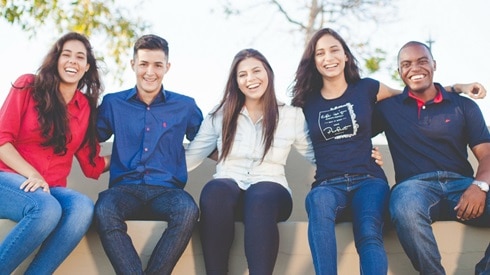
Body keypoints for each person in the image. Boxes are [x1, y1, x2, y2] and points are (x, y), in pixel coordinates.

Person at [289, 27, 485, 275]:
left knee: (369, 232)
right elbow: (290, 131)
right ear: (314, 61)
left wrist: (457, 87)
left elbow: (416, 91)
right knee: (317, 202)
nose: (329, 58)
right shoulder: (307, 102)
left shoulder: (368, 88)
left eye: (335, 50)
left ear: (346, 55)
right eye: (320, 53)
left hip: (370, 180)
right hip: (335, 184)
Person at [184, 48, 315, 275]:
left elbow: (318, 154)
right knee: (214, 190)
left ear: (268, 73)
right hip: (228, 192)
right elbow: (191, 157)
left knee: (260, 196)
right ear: (236, 81)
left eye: (256, 71)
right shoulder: (220, 114)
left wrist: (359, 157)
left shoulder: (291, 115)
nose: (250, 79)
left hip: (271, 192)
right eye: (242, 74)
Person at [373, 41, 490, 275]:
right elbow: (352, 131)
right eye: (406, 64)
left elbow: (486, 153)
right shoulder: (387, 109)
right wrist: (367, 152)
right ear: (399, 72)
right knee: (404, 205)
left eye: (422, 61)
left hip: (463, 187)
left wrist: (480, 186)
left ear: (434, 65)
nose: (414, 68)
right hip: (415, 188)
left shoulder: (463, 106)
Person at [0, 32, 109, 274]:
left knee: (82, 207)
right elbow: (2, 140)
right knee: (46, 208)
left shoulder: (85, 108)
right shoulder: (28, 86)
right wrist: (33, 174)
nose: (73, 61)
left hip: (49, 189)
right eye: (66, 54)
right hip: (6, 179)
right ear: (56, 59)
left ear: (87, 67)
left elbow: (93, 166)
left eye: (80, 57)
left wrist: (136, 154)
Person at [94, 34, 203, 275]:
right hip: (124, 190)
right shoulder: (113, 103)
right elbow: (87, 137)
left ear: (167, 67)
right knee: (103, 209)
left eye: (157, 65)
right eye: (143, 64)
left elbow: (208, 142)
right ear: (133, 64)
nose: (150, 72)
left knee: (187, 211)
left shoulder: (185, 106)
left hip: (167, 191)